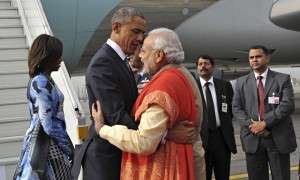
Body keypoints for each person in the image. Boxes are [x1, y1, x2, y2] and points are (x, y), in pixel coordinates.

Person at [71, 7, 195, 180]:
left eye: (142, 33)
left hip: (120, 151)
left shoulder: (118, 60)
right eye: (135, 31)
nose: (140, 39)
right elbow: (116, 117)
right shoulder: (103, 64)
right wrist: (165, 134)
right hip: (107, 160)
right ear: (116, 27)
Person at [92, 27, 205, 180]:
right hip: (183, 162)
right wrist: (167, 134)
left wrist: (102, 129)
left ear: (159, 55)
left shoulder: (165, 85)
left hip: (171, 166)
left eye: (144, 51)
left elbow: (144, 141)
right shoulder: (180, 75)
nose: (140, 55)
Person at [232, 45, 297, 180]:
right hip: (253, 139)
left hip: (277, 138)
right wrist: (253, 125)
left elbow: (287, 105)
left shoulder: (282, 79)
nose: (254, 60)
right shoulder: (241, 82)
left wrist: (265, 123)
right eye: (251, 57)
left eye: (258, 56)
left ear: (267, 58)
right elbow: (237, 108)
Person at [14, 34, 73, 179]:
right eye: (57, 56)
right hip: (46, 145)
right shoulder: (40, 82)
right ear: (47, 58)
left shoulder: (45, 80)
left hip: (46, 143)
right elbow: (47, 124)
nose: (61, 60)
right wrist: (67, 146)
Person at [193, 55, 236, 180]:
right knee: (203, 175)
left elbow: (230, 110)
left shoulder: (225, 86)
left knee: (223, 175)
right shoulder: (192, 87)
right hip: (200, 140)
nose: (203, 67)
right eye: (200, 64)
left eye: (206, 64)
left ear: (213, 67)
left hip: (221, 139)